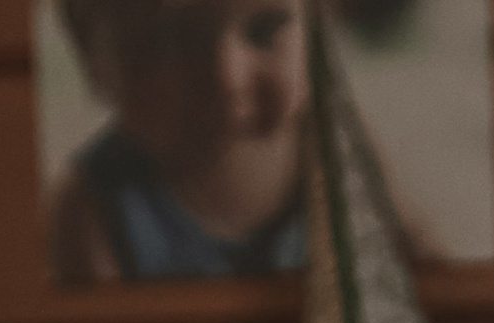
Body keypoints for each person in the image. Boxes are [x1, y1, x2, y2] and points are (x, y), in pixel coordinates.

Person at [48, 0, 308, 283]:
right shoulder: (94, 212)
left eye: (263, 30)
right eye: (180, 39)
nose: (227, 76)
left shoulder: (347, 168)